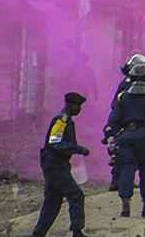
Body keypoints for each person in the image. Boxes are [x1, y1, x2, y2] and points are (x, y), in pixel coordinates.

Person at [106, 63, 145, 218]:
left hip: (126, 138)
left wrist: (111, 136)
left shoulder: (123, 97)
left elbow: (114, 120)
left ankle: (125, 204)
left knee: (126, 170)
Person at [32, 93, 89, 237]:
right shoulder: (62, 120)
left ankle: (39, 233)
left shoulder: (66, 120)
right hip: (55, 164)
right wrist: (78, 149)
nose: (80, 109)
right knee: (76, 195)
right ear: (70, 105)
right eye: (78, 106)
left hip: (54, 164)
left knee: (53, 200)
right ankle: (77, 231)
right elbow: (55, 143)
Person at [105, 54, 145, 191]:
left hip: (122, 121)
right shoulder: (128, 84)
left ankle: (119, 181)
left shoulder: (128, 82)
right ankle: (118, 182)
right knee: (122, 155)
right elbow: (119, 104)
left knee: (122, 154)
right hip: (125, 123)